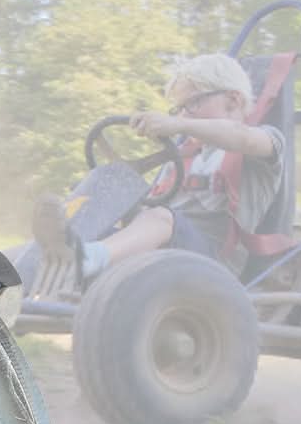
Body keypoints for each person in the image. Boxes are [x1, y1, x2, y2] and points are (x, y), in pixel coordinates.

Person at [40, 53, 286, 280]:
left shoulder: (264, 142)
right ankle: (17, 271)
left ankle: (83, 260)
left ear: (233, 100)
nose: (182, 116)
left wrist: (178, 126)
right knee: (91, 220)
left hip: (215, 261)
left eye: (191, 104)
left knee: (160, 218)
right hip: (166, 247)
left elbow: (241, 136)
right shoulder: (183, 154)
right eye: (177, 109)